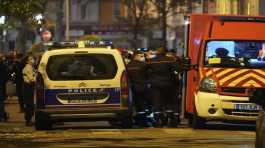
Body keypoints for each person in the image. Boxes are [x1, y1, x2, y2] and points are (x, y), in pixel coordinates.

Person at [147, 47, 179, 127]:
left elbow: (145, 70)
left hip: (156, 85)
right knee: (168, 103)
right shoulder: (170, 60)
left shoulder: (151, 61)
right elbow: (177, 69)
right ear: (165, 52)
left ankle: (157, 121)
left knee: (157, 103)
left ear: (157, 52)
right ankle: (170, 121)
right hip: (168, 84)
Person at [127, 51, 150, 127]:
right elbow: (148, 75)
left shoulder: (128, 65)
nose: (142, 57)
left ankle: (136, 121)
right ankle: (143, 122)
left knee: (136, 105)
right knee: (143, 106)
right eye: (141, 56)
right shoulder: (143, 65)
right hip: (143, 87)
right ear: (135, 56)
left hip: (133, 88)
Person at [22, 54, 36, 126]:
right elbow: (31, 79)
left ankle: (29, 120)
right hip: (28, 87)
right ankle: (28, 120)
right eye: (30, 59)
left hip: (28, 86)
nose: (32, 60)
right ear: (27, 61)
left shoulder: (31, 67)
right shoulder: (28, 68)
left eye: (32, 58)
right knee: (29, 104)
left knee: (29, 104)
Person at [0, 53, 9, 121]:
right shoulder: (3, 66)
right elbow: (6, 75)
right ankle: (2, 115)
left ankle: (2, 115)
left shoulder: (3, 65)